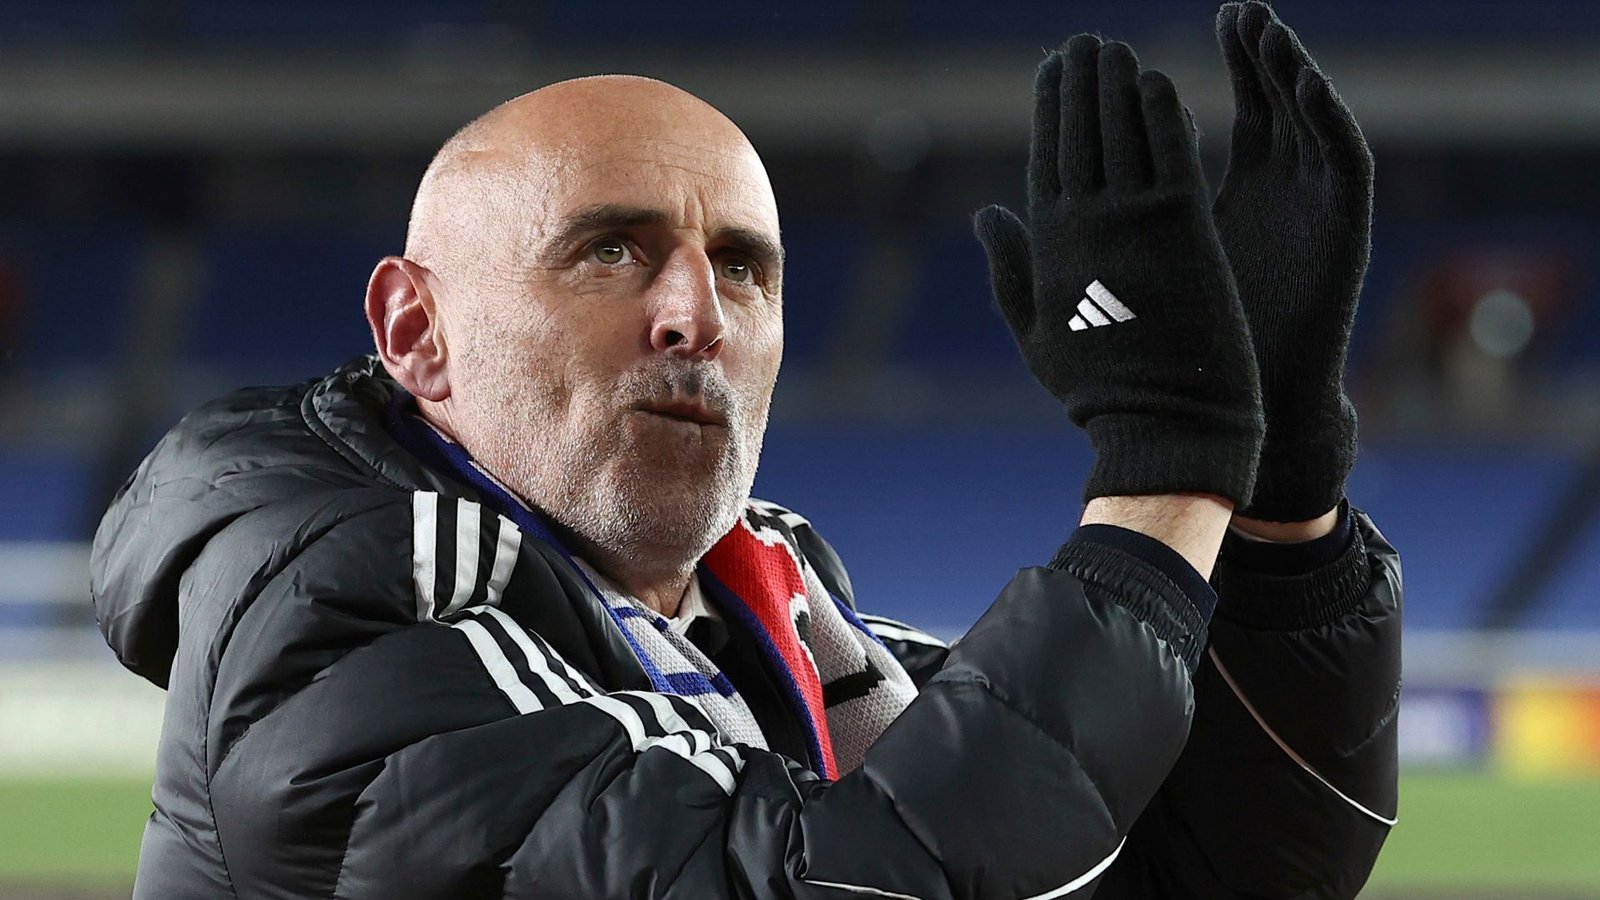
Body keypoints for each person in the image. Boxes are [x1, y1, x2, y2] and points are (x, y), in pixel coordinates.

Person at [91, 3, 1400, 897]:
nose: (696, 316)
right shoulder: (339, 620)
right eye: (611, 250)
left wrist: (1277, 501)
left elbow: (1200, 871)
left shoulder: (774, 616)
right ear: (416, 332)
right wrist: (1172, 464)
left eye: (742, 267)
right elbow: (861, 876)